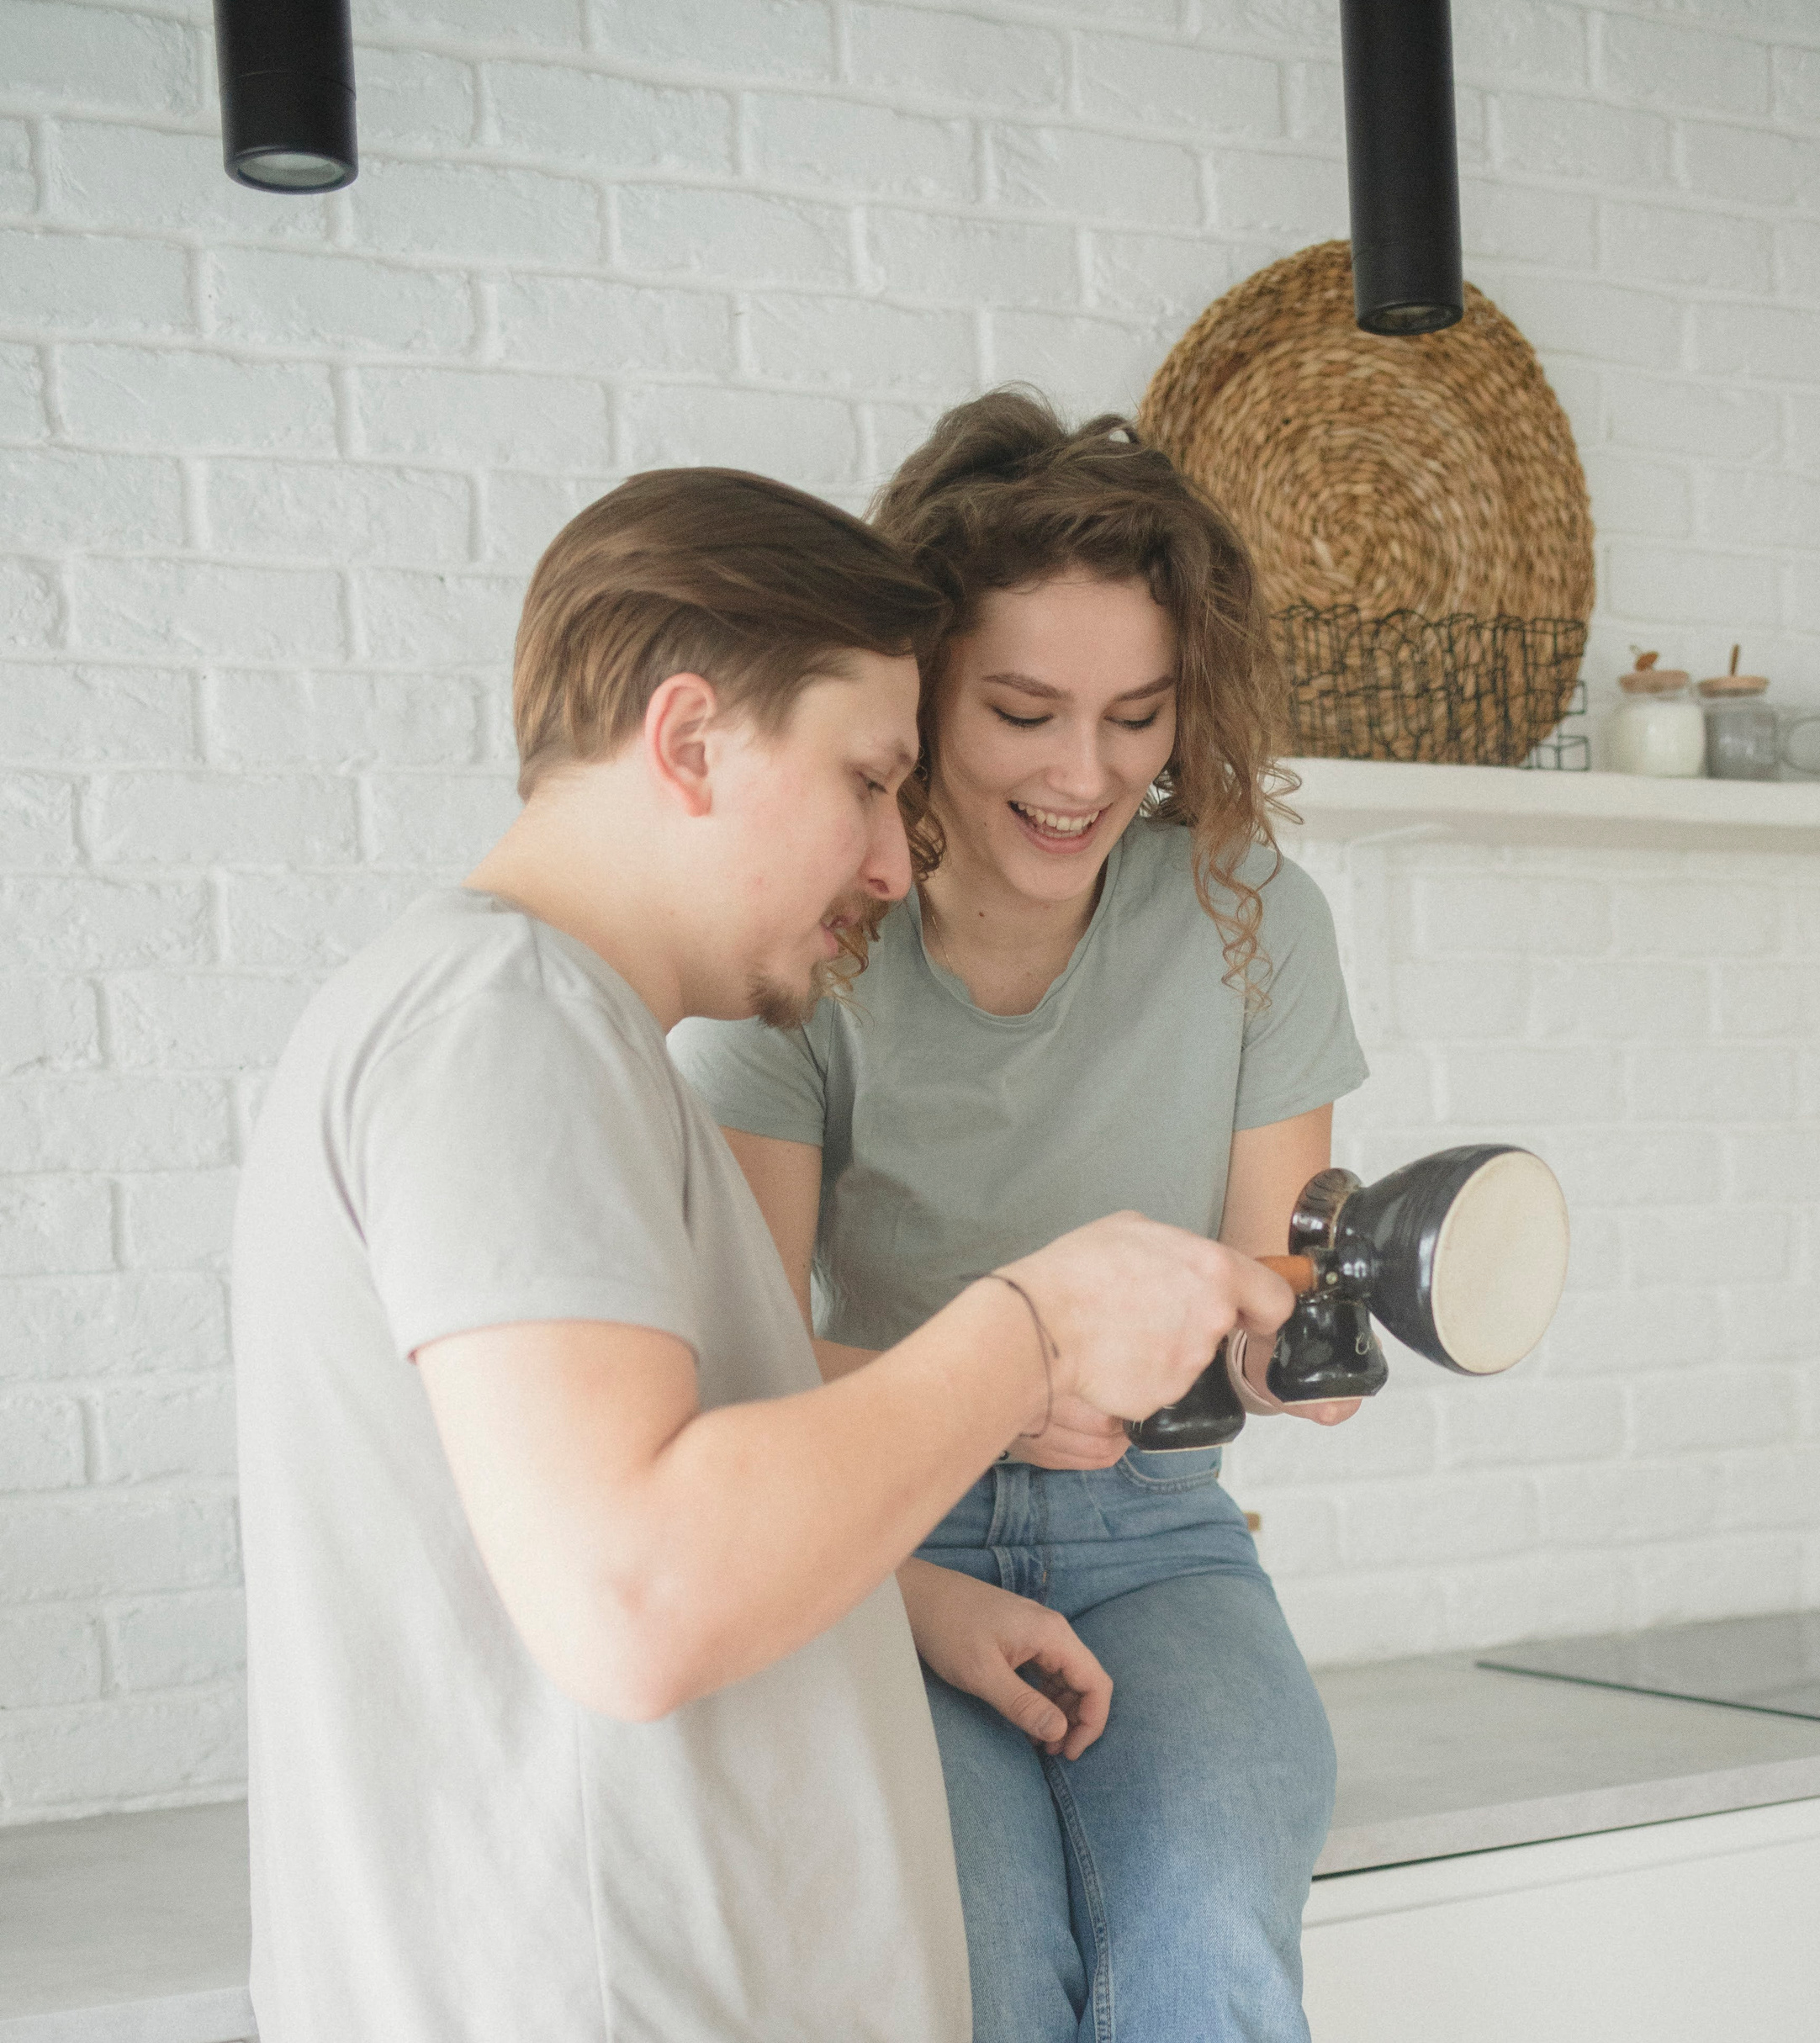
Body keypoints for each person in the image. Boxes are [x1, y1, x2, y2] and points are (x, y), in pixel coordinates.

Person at [230, 466, 1294, 2043]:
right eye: (868, 780)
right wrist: (1031, 1331)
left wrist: (908, 1604)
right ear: (688, 741)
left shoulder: (558, 1038)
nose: (890, 858)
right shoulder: (500, 1033)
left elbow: (644, 1481)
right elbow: (635, 1592)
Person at [675, 393, 1369, 2043]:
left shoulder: (1246, 908)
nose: (1085, 775)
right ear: (917, 697)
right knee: (978, 1968)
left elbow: (1280, 1289)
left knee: (1207, 1935)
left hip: (1156, 1536)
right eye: (1022, 712)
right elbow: (746, 1361)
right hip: (883, 1534)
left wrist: (1307, 1358)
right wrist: (997, 1375)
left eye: (1137, 717)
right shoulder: (807, 934)